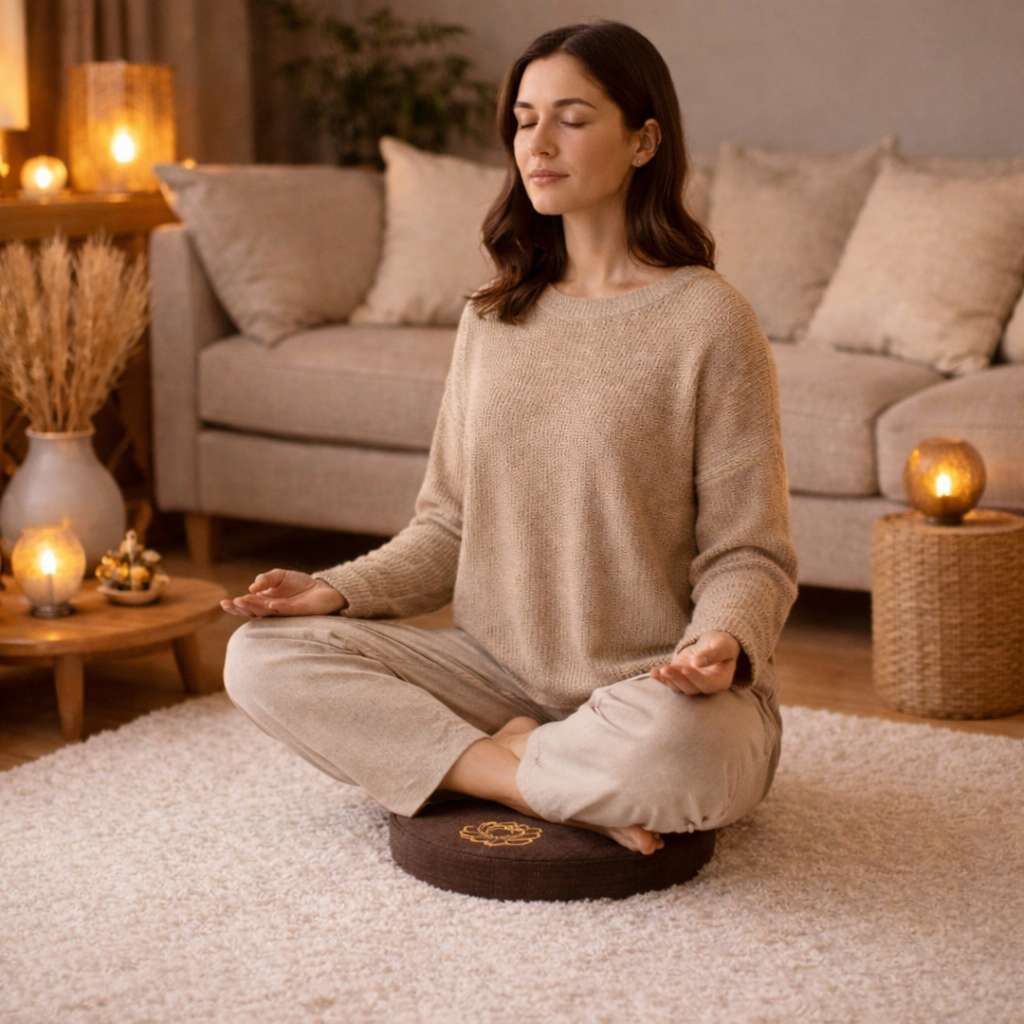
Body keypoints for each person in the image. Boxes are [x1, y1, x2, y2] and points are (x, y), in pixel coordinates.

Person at [221, 19, 799, 857]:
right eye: (525, 120)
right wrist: (332, 591)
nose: (539, 142)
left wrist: (725, 642)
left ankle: (511, 759)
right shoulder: (494, 317)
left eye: (572, 117)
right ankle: (510, 768)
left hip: (655, 690)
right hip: (492, 676)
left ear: (644, 141)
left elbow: (751, 553)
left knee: (683, 752)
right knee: (260, 656)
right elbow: (447, 527)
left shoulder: (710, 319)